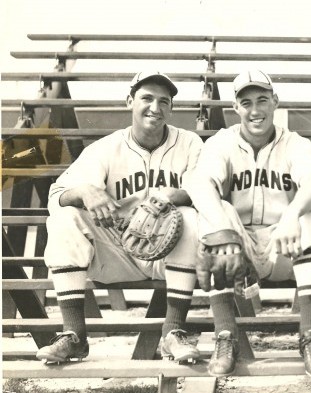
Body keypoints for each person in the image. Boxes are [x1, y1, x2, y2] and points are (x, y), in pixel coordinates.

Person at [37, 71, 204, 364]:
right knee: (65, 217)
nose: (155, 107)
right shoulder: (106, 147)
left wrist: (171, 196)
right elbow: (57, 196)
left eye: (164, 101)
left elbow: (204, 189)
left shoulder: (189, 143)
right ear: (130, 101)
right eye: (147, 98)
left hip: (172, 256)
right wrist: (85, 191)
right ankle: (74, 335)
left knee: (189, 215)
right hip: (117, 252)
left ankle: (174, 331)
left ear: (171, 108)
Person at [184, 70, 311, 378]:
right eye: (246, 102)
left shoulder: (294, 142)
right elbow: (200, 184)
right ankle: (225, 335)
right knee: (215, 211)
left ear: (275, 101)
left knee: (310, 212)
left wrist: (292, 215)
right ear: (235, 108)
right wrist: (225, 232)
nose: (255, 110)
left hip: (286, 244)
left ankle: (310, 336)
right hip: (239, 249)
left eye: (262, 100)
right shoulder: (221, 142)